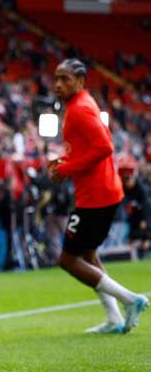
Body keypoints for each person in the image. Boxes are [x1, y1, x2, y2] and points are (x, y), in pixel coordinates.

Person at [48, 59, 147, 334]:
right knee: (88, 253)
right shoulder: (82, 103)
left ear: (80, 81)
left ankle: (131, 300)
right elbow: (91, 147)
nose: (58, 84)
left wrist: (67, 167)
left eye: (65, 79)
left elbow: (105, 147)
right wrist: (66, 160)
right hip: (100, 192)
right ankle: (114, 318)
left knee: (67, 260)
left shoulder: (79, 109)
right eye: (56, 78)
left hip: (96, 196)